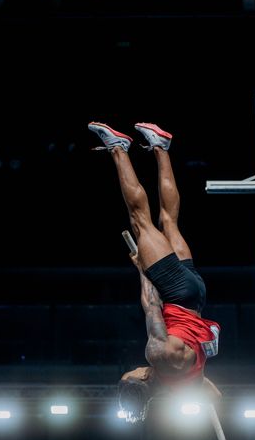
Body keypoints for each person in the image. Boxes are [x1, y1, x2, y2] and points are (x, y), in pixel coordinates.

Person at [88, 121, 222, 423]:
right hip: (174, 291)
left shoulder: (182, 385)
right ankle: (118, 149)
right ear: (139, 379)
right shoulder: (157, 355)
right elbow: (151, 305)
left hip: (196, 296)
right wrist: (141, 267)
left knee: (169, 222)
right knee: (141, 221)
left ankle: (161, 147)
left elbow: (215, 395)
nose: (130, 368)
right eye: (129, 374)